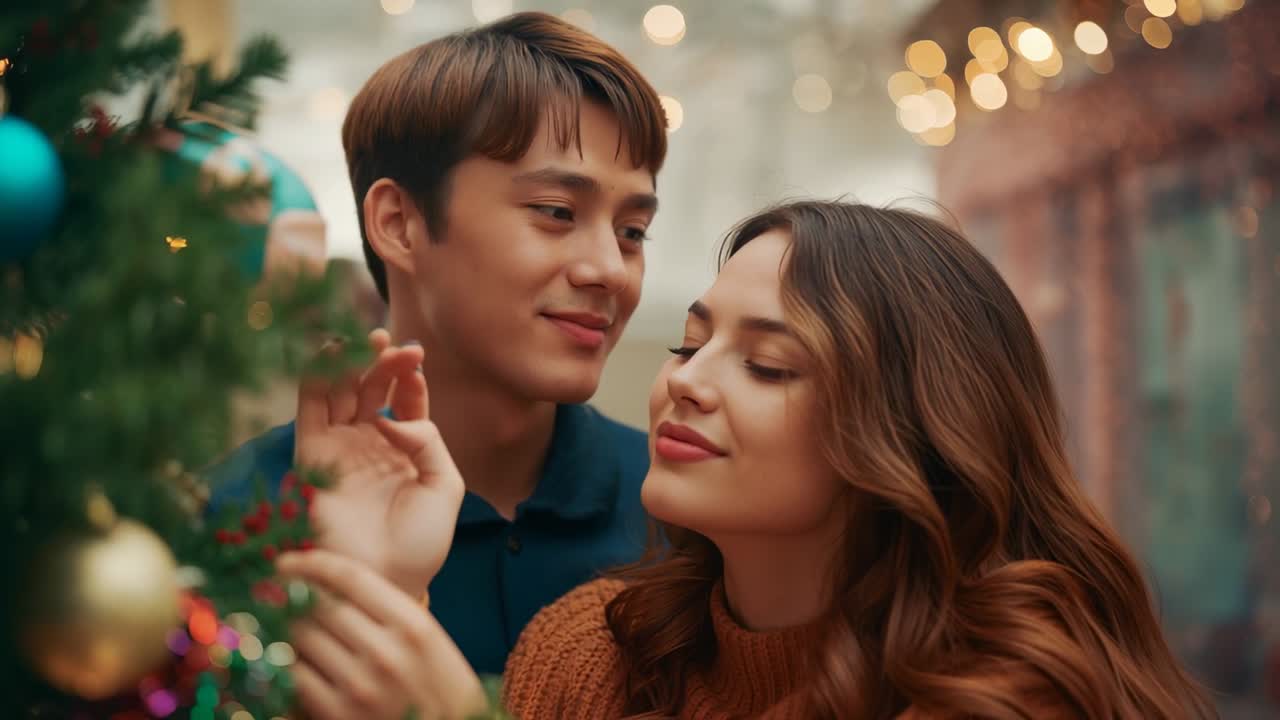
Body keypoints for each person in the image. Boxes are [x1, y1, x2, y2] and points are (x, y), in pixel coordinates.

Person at [278, 199, 1218, 719]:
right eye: (689, 345)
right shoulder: (586, 650)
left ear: (912, 427)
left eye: (768, 365)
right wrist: (386, 583)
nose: (687, 382)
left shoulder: (1004, 696)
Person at [207, 9, 668, 678]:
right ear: (399, 223)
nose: (610, 270)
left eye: (632, 232)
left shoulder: (683, 519)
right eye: (557, 212)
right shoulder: (234, 522)